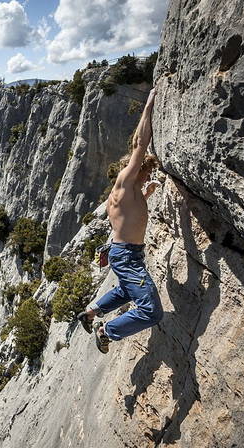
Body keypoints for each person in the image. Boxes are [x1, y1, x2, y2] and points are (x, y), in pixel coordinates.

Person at [77, 88, 163, 353]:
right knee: (151, 311)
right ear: (138, 170)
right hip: (125, 254)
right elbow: (139, 143)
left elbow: (131, 216)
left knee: (129, 289)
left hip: (126, 252)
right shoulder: (126, 181)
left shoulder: (133, 192)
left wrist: (146, 194)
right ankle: (107, 330)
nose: (148, 176)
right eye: (147, 171)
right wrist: (149, 106)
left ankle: (91, 313)